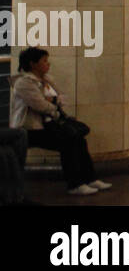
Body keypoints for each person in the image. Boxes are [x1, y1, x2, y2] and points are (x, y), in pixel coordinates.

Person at [10, 47, 110, 196]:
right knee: (69, 142)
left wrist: (54, 101)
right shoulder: (24, 83)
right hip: (29, 130)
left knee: (79, 140)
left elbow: (62, 98)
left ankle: (89, 179)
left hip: (49, 125)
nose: (48, 64)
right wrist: (54, 102)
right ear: (33, 64)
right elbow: (41, 105)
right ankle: (75, 184)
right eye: (44, 61)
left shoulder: (46, 80)